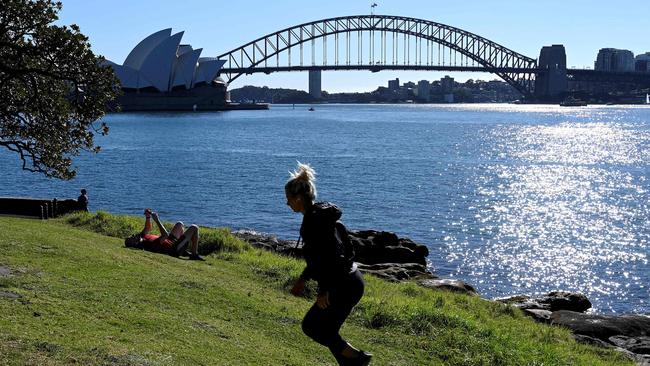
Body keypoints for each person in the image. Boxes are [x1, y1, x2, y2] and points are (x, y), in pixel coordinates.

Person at [286, 163, 371, 366]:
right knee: (327, 331)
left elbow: (328, 257)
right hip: (353, 279)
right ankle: (354, 362)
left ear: (298, 198)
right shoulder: (322, 216)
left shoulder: (312, 223)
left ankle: (359, 358)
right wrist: (304, 278)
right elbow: (321, 257)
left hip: (342, 285)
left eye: (288, 199)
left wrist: (325, 290)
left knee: (312, 327)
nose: (287, 204)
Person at [125, 209, 204, 260]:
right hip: (174, 249)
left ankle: (184, 250)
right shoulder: (148, 244)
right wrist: (157, 220)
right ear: (133, 244)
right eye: (131, 238)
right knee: (194, 228)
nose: (132, 235)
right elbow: (165, 235)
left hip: (171, 240)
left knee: (179, 224)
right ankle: (194, 254)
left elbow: (147, 228)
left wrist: (148, 217)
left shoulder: (141, 236)